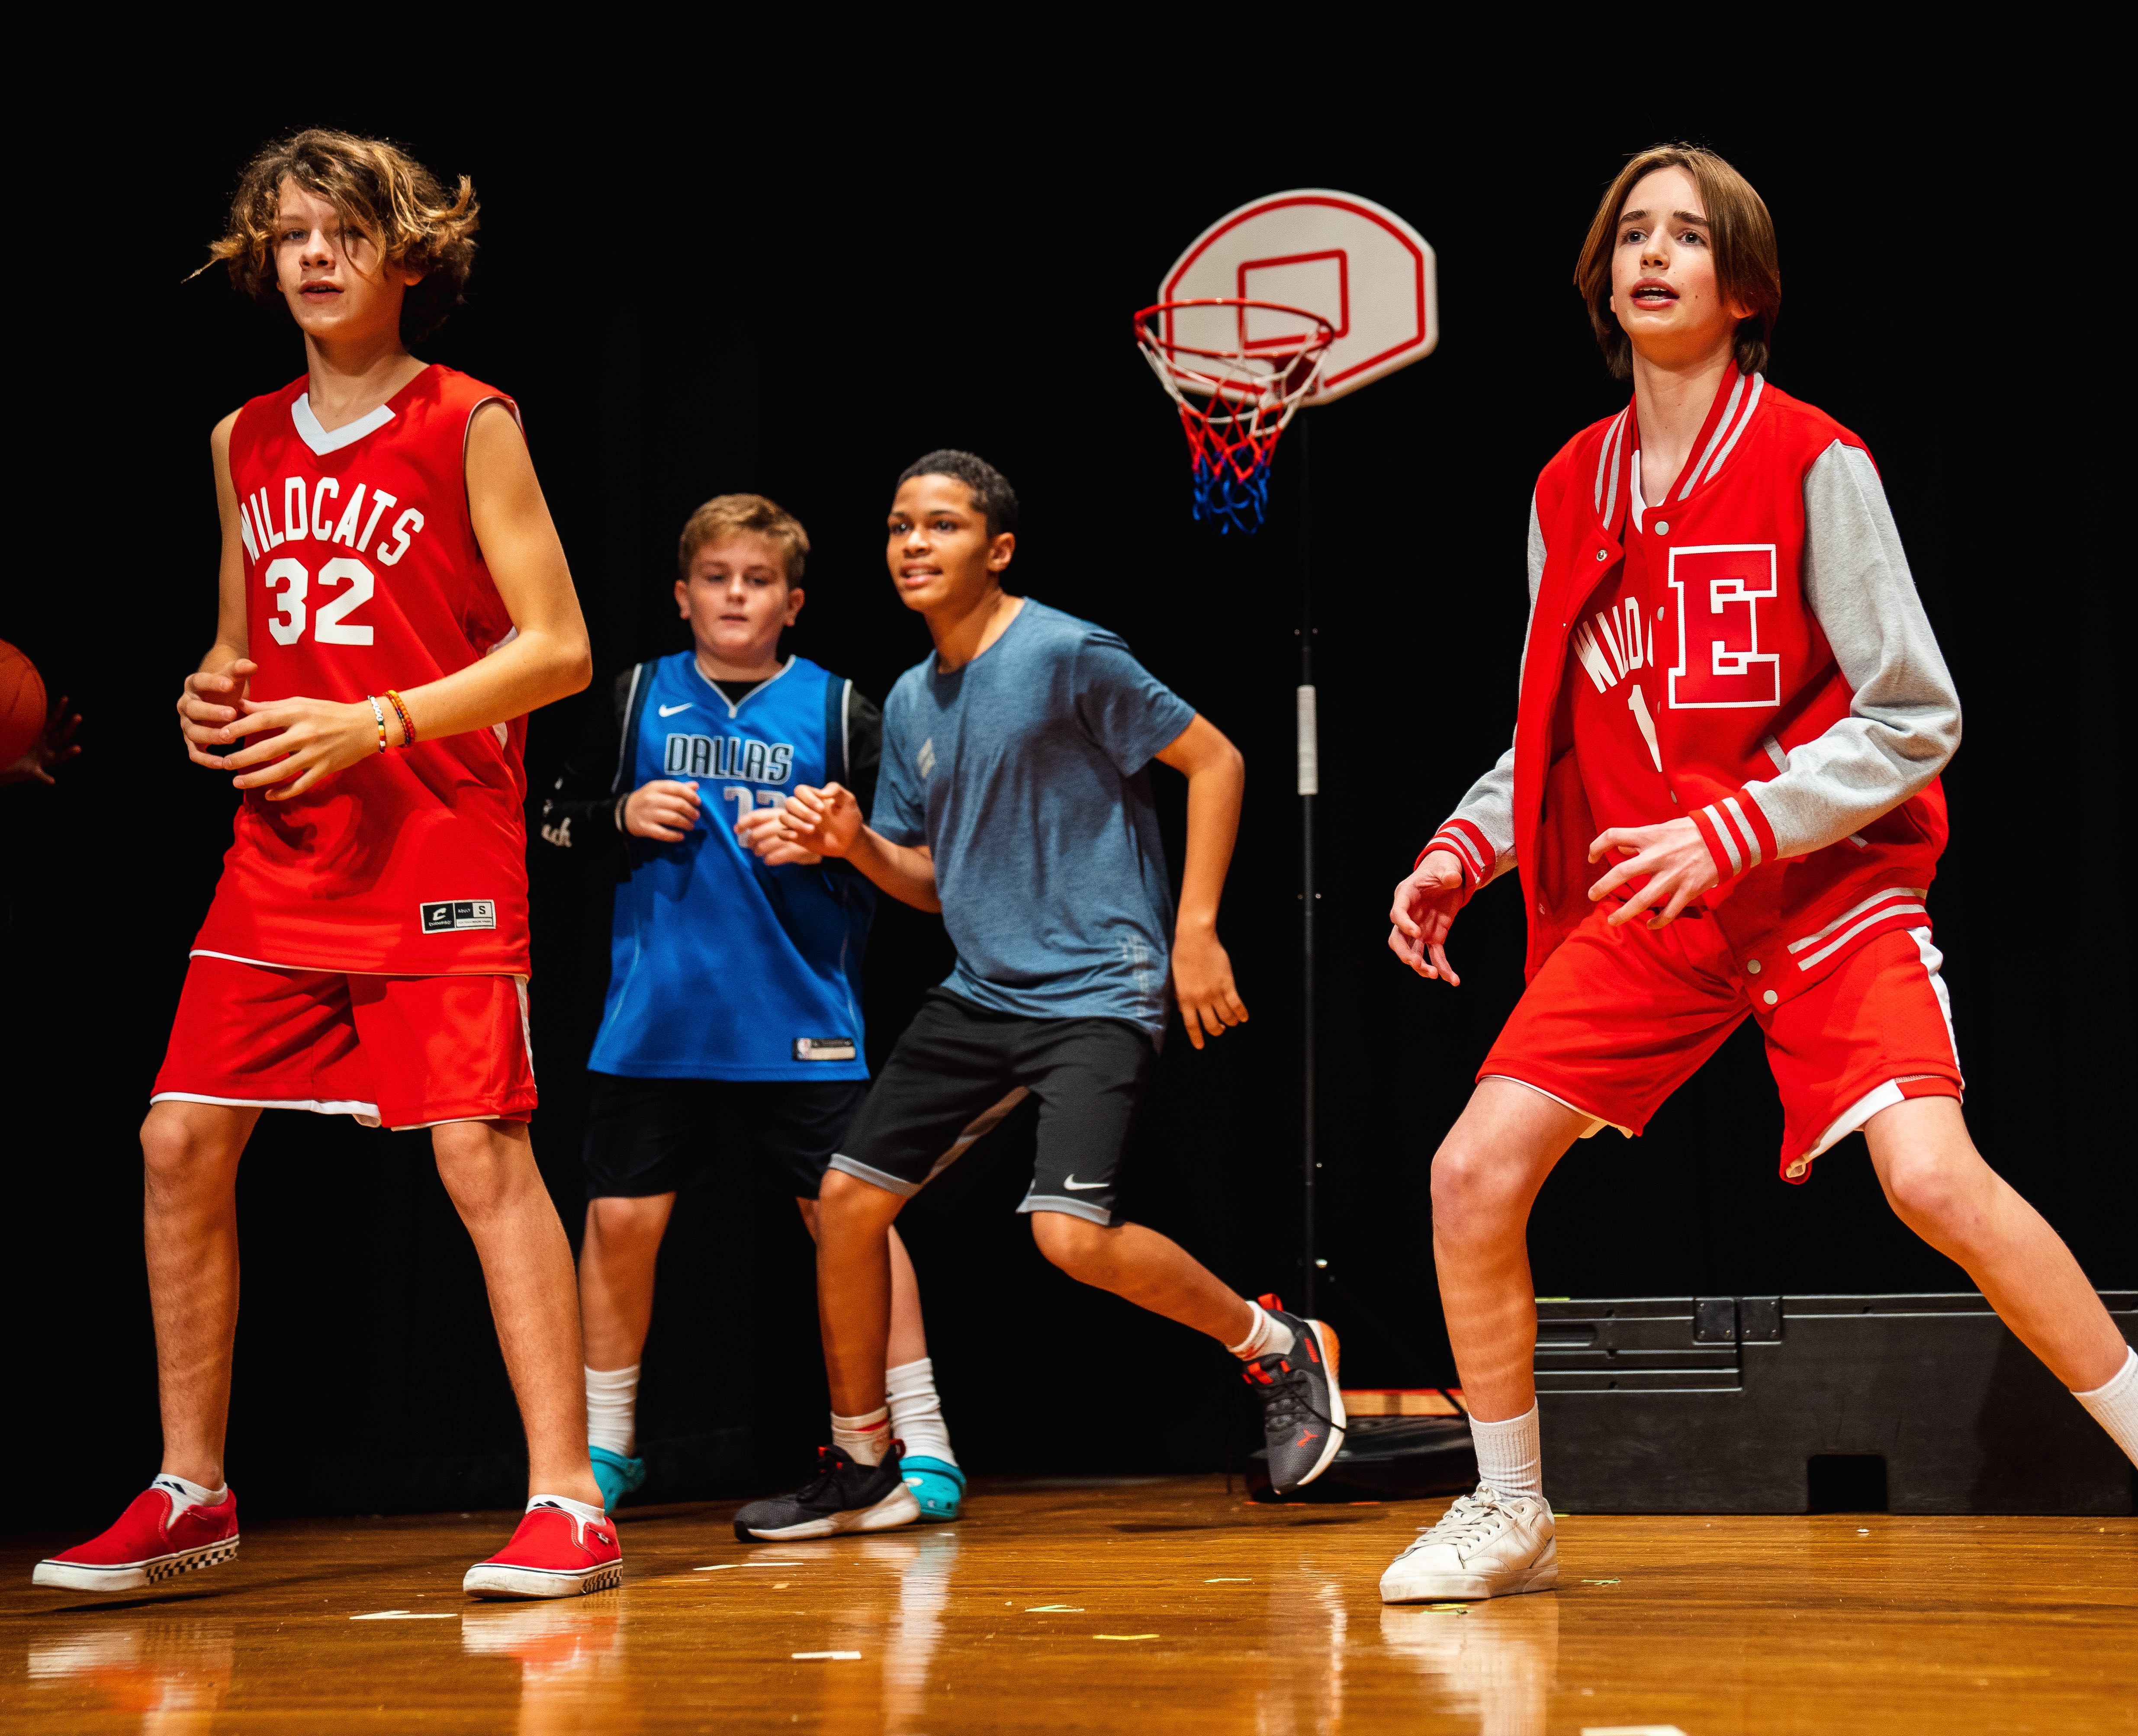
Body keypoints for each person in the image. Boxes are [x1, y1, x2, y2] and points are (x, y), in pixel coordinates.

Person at [1375, 145, 2138, 1620]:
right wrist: (1464, 845)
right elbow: (1555, 721)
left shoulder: (1813, 459)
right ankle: (1508, 1507)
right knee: (1467, 1174)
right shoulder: (1568, 485)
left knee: (1932, 1176)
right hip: (1657, 906)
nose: (1652, 254)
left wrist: (1738, 826)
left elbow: (1913, 715)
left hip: (1820, 893)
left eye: (1688, 236)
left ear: (1743, 286)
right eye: (1632, 231)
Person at [35, 130, 616, 1600]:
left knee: (479, 1153)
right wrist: (208, 690)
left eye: (342, 231)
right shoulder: (241, 438)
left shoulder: (469, 419)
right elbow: (245, 638)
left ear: (408, 254)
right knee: (177, 1139)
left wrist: (380, 720)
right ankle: (191, 1489)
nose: (311, 254)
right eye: (288, 233)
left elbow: (558, 651)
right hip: (286, 845)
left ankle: (566, 1499)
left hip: (435, 829)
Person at [732, 450, 1344, 1542]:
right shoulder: (916, 695)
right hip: (981, 991)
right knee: (846, 1203)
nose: (914, 544)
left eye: (942, 525)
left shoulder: (1067, 652)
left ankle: (1271, 1340)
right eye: (898, 526)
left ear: (997, 548)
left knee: (1068, 1236)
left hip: (1099, 985)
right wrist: (853, 841)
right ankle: (865, 1458)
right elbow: (930, 878)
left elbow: (1217, 761)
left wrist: (1192, 932)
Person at [531, 492, 962, 1520]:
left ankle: (923, 1436)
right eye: (718, 578)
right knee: (623, 1222)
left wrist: (841, 839)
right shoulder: (636, 695)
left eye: (758, 580)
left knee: (851, 1223)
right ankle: (606, 1444)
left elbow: (926, 865)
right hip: (654, 1023)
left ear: (794, 601)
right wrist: (617, 814)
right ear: (683, 596)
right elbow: (551, 817)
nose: (737, 595)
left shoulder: (840, 709)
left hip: (803, 1025)